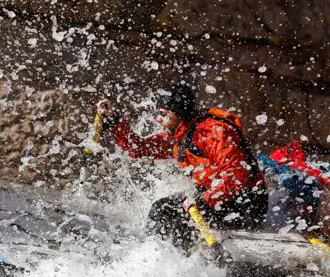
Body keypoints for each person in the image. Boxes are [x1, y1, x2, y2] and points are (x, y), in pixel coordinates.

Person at [95, 82, 268, 252]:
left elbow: (237, 175)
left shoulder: (213, 131)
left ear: (179, 112)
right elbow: (138, 148)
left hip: (246, 206)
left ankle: (178, 259)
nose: (158, 119)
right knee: (163, 209)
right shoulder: (182, 135)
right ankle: (168, 256)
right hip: (221, 201)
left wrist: (203, 200)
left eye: (163, 114)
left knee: (165, 211)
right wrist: (114, 121)